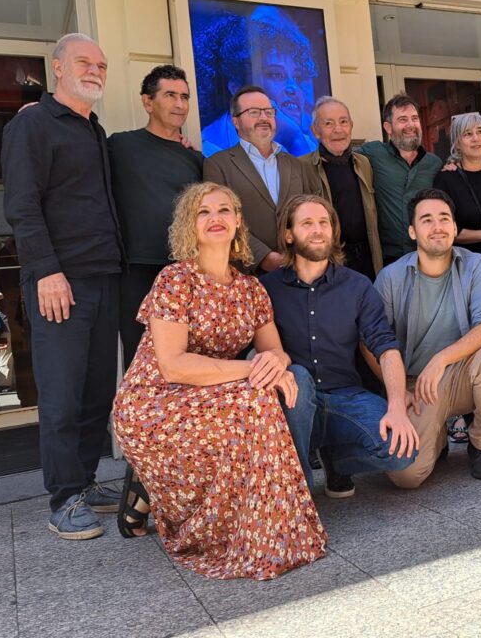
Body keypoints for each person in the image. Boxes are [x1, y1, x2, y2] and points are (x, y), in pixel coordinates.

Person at [112, 182, 326, 580]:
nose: (215, 219)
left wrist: (275, 363)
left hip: (214, 394)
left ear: (238, 221)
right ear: (189, 226)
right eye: (203, 212)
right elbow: (173, 367)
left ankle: (273, 519)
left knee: (274, 386)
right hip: (154, 400)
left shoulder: (251, 289)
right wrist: (254, 369)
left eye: (224, 210)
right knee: (256, 398)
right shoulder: (175, 280)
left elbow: (274, 350)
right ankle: (249, 529)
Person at [2, 32, 125, 540]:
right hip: (60, 281)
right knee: (61, 394)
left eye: (100, 63)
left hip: (103, 276)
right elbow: (22, 206)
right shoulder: (31, 124)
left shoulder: (94, 129)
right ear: (57, 68)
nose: (94, 70)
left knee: (98, 389)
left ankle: (87, 480)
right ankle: (63, 497)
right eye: (83, 62)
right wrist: (46, 270)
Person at [262, 194, 418, 498]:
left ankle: (338, 462)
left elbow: (385, 347)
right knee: (299, 376)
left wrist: (397, 406)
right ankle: (297, 498)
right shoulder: (267, 289)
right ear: (288, 234)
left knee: (402, 452)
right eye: (307, 223)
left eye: (324, 223)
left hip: (345, 398)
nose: (318, 230)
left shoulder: (357, 285)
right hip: (294, 404)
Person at [374, 188, 481, 487]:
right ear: (413, 231)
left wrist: (441, 359)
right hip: (416, 384)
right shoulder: (390, 277)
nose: (437, 226)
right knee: (405, 475)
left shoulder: (475, 265)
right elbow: (370, 343)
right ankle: (436, 439)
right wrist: (398, 395)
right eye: (426, 220)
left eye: (444, 219)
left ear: (454, 227)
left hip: (462, 373)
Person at [108, 64, 203, 367]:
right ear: (148, 102)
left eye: (185, 97)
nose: (179, 104)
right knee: (141, 360)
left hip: (185, 272)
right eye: (170, 95)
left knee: (187, 360)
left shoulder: (195, 158)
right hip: (136, 270)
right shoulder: (119, 146)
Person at [203, 85, 320, 274]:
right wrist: (263, 256)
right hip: (247, 274)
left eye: (269, 112)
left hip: (298, 270)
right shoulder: (218, 165)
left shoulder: (297, 165)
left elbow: (313, 212)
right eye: (254, 112)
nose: (264, 118)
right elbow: (220, 220)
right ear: (236, 121)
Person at [199, 6, 319, 156]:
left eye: (297, 77)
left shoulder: (305, 142)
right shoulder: (211, 148)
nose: (293, 87)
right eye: (276, 75)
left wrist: (296, 140)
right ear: (238, 88)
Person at [300, 97, 383, 277]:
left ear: (351, 126)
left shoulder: (364, 164)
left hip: (368, 259)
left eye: (343, 122)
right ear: (315, 131)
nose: (338, 130)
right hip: (329, 262)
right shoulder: (302, 167)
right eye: (328, 123)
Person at [356, 94, 442, 264]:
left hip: (426, 256)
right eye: (403, 119)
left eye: (415, 118)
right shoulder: (373, 153)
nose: (411, 125)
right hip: (387, 259)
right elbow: (340, 156)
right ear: (388, 127)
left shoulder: (435, 163)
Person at [433, 112, 481, 253]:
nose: (476, 138)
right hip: (465, 262)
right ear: (457, 144)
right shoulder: (445, 180)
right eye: (468, 134)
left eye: (480, 132)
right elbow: (444, 228)